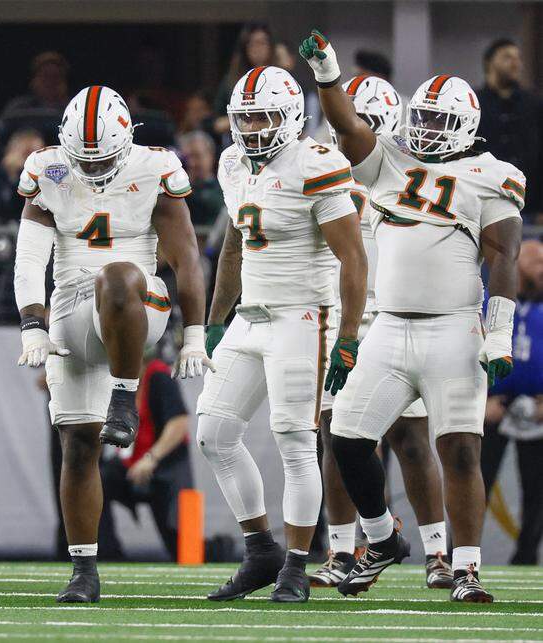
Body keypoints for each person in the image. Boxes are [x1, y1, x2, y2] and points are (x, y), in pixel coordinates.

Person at [303, 30, 524, 603]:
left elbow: (504, 259)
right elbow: (349, 128)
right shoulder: (389, 162)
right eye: (420, 116)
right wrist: (327, 69)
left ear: (467, 128)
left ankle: (466, 567)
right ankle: (381, 538)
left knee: (460, 448)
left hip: (453, 328)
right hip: (388, 327)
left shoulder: (493, 176)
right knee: (345, 436)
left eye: (439, 121)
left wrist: (498, 331)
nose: (425, 129)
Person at [14, 85, 209, 602]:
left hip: (138, 303)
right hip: (70, 310)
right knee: (78, 446)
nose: (94, 171)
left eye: (102, 162)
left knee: (118, 275)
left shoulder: (154, 168)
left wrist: (194, 333)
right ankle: (84, 570)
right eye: (84, 160)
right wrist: (33, 322)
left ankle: (125, 396)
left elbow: (187, 257)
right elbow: (30, 257)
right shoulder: (48, 168)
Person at [197, 65, 366, 604]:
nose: (253, 128)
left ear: (291, 113)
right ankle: (260, 548)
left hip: (304, 316)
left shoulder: (315, 162)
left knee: (295, 440)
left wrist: (349, 335)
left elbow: (353, 259)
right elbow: (233, 246)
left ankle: (296, 562)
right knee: (214, 432)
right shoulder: (231, 163)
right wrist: (216, 317)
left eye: (264, 115)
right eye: (245, 118)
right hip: (251, 317)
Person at [308, 74, 452, 591]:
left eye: (364, 123)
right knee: (336, 435)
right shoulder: (317, 162)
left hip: (391, 313)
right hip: (336, 311)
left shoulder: (409, 167)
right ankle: (344, 550)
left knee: (411, 438)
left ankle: (438, 552)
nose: (351, 133)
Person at [481, 238, 543, 565]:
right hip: (493, 407)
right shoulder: (491, 300)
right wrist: (480, 401)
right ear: (517, 264)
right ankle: (460, 553)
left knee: (535, 491)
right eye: (538, 263)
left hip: (537, 411)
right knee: (477, 482)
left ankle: (527, 557)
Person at [99, 350, 194, 560]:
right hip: (131, 462)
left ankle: (215, 550)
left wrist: (151, 458)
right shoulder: (122, 384)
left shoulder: (159, 375)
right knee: (97, 481)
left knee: (184, 547)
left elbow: (179, 423)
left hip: (167, 464)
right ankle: (107, 553)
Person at [477, 39, 543, 214]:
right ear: (489, 62)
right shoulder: (474, 103)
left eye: (518, 58)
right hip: (484, 201)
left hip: (528, 205)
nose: (516, 63)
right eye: (507, 57)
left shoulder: (534, 104)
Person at [0, 51, 71, 145]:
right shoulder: (18, 107)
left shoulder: (72, 110)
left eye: (55, 77)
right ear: (34, 80)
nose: (50, 83)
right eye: (45, 76)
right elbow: (1, 129)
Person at [213, 24, 275, 135]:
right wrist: (243, 118)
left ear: (270, 46)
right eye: (252, 44)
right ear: (244, 48)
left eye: (262, 43)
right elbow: (218, 123)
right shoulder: (231, 80)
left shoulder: (280, 77)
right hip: (241, 140)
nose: (257, 48)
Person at [177, 131, 225, 228]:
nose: (192, 163)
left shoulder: (225, 189)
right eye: (187, 158)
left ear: (210, 155)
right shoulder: (175, 192)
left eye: (197, 156)